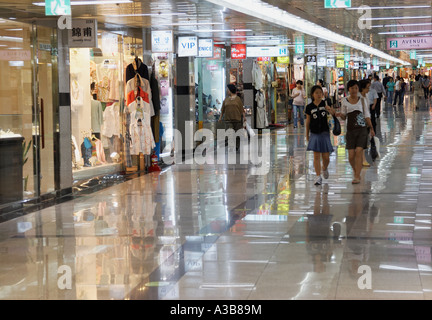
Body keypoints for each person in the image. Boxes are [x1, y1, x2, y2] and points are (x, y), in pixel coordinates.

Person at [338, 80, 375, 184]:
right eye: (352, 88)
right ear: (348, 89)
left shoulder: (362, 100)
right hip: (350, 131)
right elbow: (344, 116)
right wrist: (339, 115)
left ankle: (357, 175)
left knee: (359, 151)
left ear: (358, 89)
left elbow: (367, 115)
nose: (354, 90)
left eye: (356, 88)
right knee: (351, 156)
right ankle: (356, 172)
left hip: (362, 130)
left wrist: (371, 128)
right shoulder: (344, 100)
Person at [305, 85, 337, 186]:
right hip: (314, 133)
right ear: (312, 95)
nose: (319, 95)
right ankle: (318, 176)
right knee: (316, 156)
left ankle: (324, 168)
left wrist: (329, 110)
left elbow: (334, 114)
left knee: (326, 157)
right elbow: (308, 121)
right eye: (316, 93)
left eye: (320, 93)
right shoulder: (309, 107)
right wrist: (307, 134)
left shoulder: (326, 103)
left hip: (325, 132)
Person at [219, 84, 245, 151]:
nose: (227, 91)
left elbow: (241, 109)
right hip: (228, 120)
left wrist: (244, 118)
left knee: (237, 134)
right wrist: (220, 117)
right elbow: (223, 109)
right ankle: (230, 146)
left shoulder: (238, 99)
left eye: (228, 89)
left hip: (237, 120)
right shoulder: (226, 99)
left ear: (230, 90)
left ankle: (237, 146)